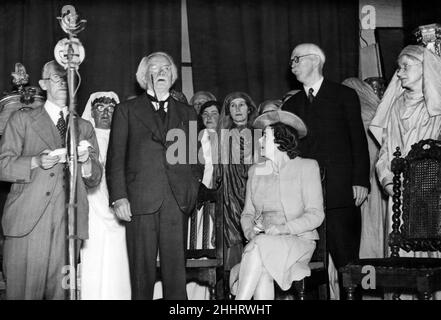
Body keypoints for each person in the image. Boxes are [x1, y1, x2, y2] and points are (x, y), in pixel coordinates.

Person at [0, 60, 102, 299]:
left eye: (68, 78)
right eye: (57, 78)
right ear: (43, 84)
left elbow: (95, 177)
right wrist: (35, 161)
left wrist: (86, 162)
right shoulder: (21, 120)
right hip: (28, 225)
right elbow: (3, 165)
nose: (63, 83)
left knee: (62, 295)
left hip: (69, 225)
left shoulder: (84, 127)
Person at [106, 52, 202, 300]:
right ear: (143, 76)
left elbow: (193, 160)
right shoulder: (126, 110)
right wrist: (119, 197)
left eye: (166, 68)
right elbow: (116, 158)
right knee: (141, 277)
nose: (161, 72)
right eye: (155, 68)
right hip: (139, 202)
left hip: (176, 202)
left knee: (176, 278)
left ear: (173, 76)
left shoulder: (188, 112)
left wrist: (189, 194)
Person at [283, 43, 370, 298]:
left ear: (315, 60)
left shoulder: (344, 95)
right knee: (307, 267)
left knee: (348, 265)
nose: (293, 65)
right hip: (304, 200)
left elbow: (358, 140)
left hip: (341, 193)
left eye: (296, 59)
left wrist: (360, 180)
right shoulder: (291, 105)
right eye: (292, 61)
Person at [369, 45, 441, 299]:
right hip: (399, 197)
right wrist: (389, 181)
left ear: (425, 69)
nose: (398, 74)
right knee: (401, 261)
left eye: (405, 67)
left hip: (432, 196)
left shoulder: (437, 110)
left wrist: (426, 183)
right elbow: (385, 153)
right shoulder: (395, 107)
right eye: (398, 68)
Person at [231, 110, 324, 300]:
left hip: (298, 240)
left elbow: (316, 215)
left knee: (258, 248)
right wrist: (249, 232)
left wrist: (283, 228)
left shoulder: (307, 167)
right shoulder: (256, 171)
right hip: (262, 240)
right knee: (263, 267)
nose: (260, 141)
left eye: (265, 136)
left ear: (281, 139)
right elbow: (247, 213)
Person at [80, 91, 131, 300]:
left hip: (119, 205)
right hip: (92, 203)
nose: (105, 113)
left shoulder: (126, 139)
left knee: (119, 258)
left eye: (111, 109)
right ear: (91, 111)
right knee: (93, 253)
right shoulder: (85, 138)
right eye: (100, 108)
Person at [216, 92, 258, 293]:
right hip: (229, 199)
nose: (238, 109)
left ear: (249, 108)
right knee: (232, 245)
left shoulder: (260, 134)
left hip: (254, 196)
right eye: (233, 105)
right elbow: (218, 173)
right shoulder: (222, 137)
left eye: (242, 104)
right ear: (228, 111)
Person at [342, 77, 388, 259]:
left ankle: (369, 281)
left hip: (366, 186)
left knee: (368, 236)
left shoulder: (361, 122)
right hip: (379, 186)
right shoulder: (380, 119)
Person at [186, 100, 221, 299]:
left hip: (221, 200)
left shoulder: (229, 138)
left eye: (214, 113)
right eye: (205, 113)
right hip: (200, 200)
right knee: (198, 244)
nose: (208, 117)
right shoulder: (195, 140)